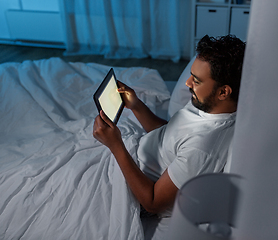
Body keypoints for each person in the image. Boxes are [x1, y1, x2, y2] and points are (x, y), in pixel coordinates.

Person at [93, 34, 246, 215]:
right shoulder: (209, 104)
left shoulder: (202, 149)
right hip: (132, 152)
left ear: (223, 92)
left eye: (196, 81)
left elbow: (153, 202)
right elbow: (171, 135)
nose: (188, 84)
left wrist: (115, 145)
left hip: (128, 179)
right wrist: (136, 105)